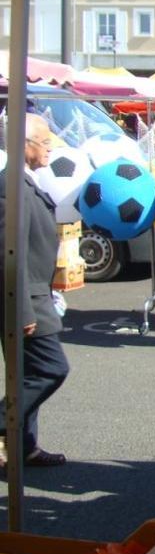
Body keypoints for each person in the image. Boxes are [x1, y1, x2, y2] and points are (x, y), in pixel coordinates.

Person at [0, 114, 70, 468]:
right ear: (23, 145)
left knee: (29, 372)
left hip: (37, 295)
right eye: (44, 142)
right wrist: (21, 309)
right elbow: (7, 252)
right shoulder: (10, 188)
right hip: (25, 300)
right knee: (51, 369)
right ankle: (4, 426)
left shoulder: (24, 183)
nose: (50, 147)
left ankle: (23, 447)